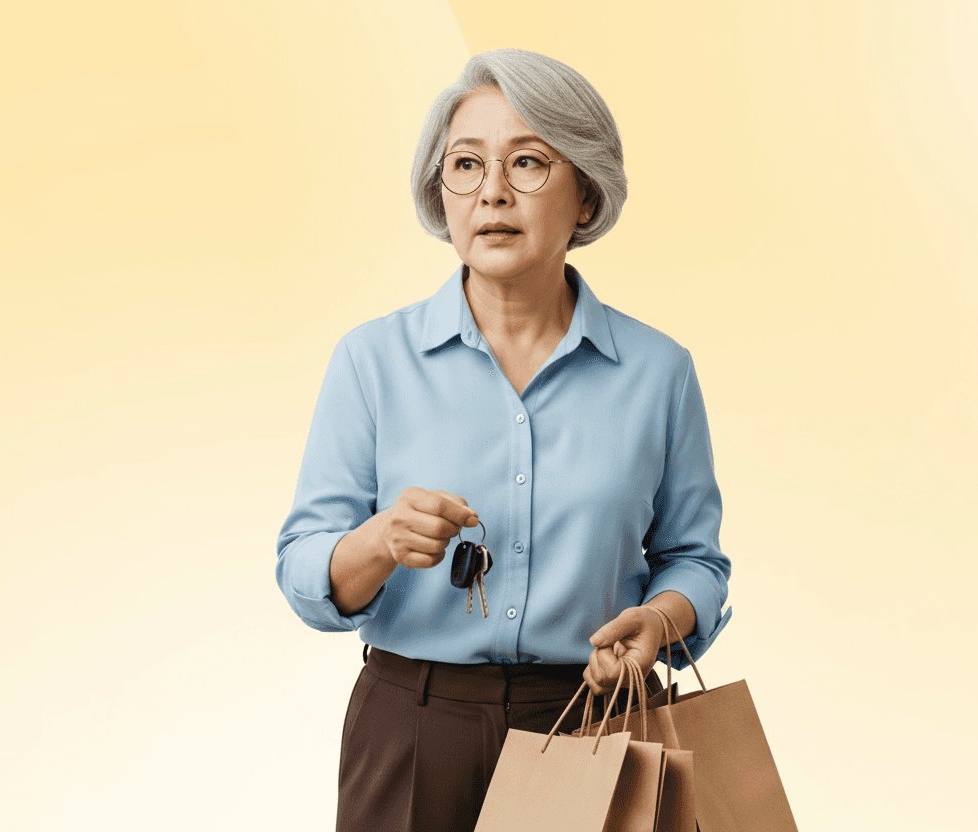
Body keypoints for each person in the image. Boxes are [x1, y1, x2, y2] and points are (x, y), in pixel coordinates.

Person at [276, 48, 732, 832]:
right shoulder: (371, 361)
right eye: (466, 164)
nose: (492, 191)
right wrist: (380, 541)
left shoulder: (659, 372)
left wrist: (660, 621)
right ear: (441, 192)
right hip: (414, 729)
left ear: (585, 194)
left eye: (527, 162)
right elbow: (302, 571)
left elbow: (697, 561)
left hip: (597, 724)